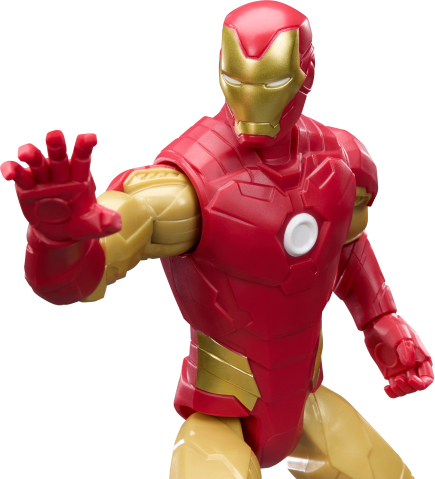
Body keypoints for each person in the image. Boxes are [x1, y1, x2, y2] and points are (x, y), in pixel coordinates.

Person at [2, 2, 432, 478]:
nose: (251, 101)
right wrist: (58, 239)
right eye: (237, 80)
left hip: (307, 400)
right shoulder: (190, 181)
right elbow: (85, 270)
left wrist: (381, 320)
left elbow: (343, 245)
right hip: (221, 415)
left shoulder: (338, 159)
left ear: (305, 74)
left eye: (269, 83)